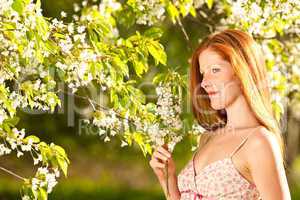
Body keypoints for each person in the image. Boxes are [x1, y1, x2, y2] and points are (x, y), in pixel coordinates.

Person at [149, 29, 291, 200]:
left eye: (215, 70)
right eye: (203, 74)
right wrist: (167, 178)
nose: (205, 83)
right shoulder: (207, 138)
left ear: (242, 72)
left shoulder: (259, 142)